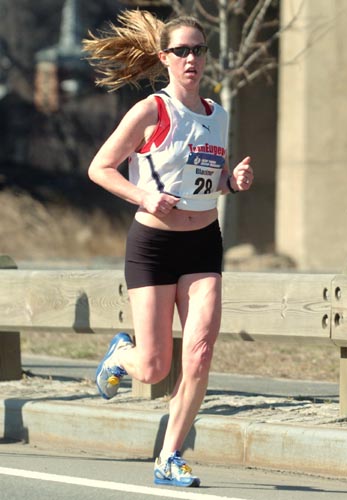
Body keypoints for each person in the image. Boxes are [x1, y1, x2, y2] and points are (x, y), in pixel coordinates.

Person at [83, 10, 253, 488]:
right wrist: (144, 196)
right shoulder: (151, 111)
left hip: (203, 244)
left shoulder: (217, 114)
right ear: (164, 58)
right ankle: (121, 357)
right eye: (181, 51)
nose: (192, 58)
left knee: (198, 352)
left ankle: (169, 456)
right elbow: (101, 168)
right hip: (153, 245)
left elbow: (208, 179)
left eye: (199, 50)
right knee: (155, 366)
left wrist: (232, 182)